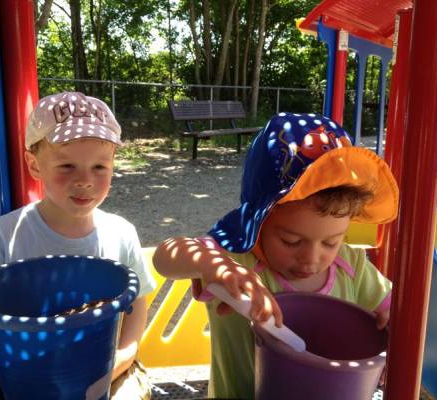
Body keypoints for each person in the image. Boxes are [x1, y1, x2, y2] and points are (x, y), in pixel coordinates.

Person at [153, 112, 399, 399]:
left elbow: (395, 310)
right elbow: (165, 256)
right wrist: (215, 266)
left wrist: (392, 321)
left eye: (331, 242)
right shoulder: (238, 261)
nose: (311, 258)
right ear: (257, 223)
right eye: (291, 241)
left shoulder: (351, 264)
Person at [0, 91, 156, 400]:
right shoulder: (3, 235)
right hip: (29, 376)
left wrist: (122, 358)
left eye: (99, 167)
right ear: (34, 164)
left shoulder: (121, 233)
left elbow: (137, 307)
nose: (85, 180)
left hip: (109, 368)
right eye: (67, 166)